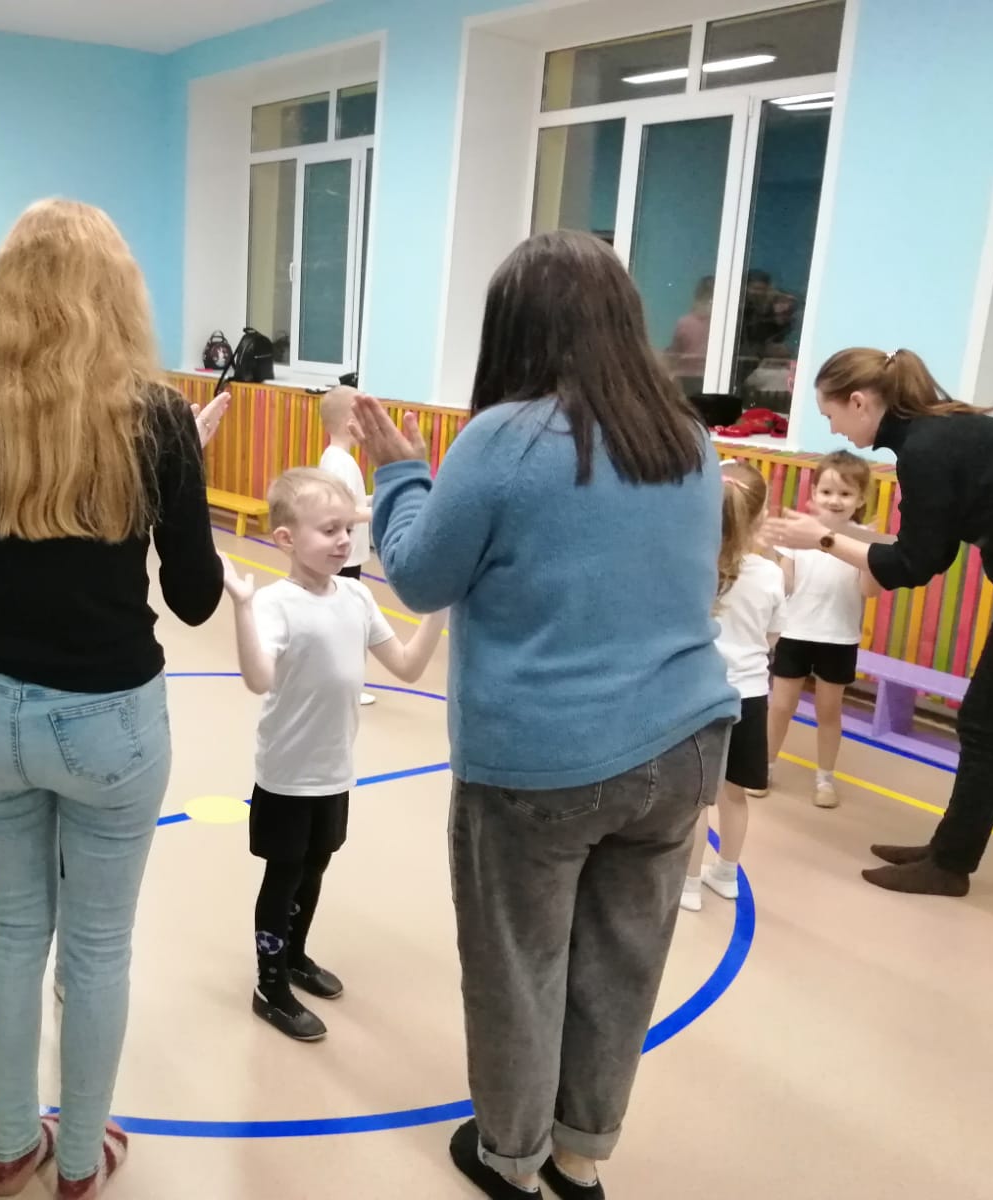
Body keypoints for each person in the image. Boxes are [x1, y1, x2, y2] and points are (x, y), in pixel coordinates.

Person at [352, 230, 738, 1200]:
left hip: (545, 759)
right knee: (623, 962)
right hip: (684, 744)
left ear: (513, 328)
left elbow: (420, 577)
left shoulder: (505, 438)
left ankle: (511, 1158)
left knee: (518, 965)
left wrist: (400, 473)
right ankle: (580, 1155)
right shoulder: (686, 437)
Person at [0, 199, 225, 1200]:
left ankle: (11, 1145)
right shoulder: (156, 418)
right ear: (116, 295)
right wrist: (185, 472)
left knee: (13, 929)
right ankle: (79, 1159)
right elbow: (196, 597)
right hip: (110, 721)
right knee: (97, 944)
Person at [223, 467, 444, 1042]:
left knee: (316, 866)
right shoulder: (275, 604)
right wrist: (242, 608)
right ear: (286, 539)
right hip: (287, 776)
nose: (345, 540)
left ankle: (294, 955)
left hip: (334, 772)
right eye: (329, 530)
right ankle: (269, 984)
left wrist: (439, 609)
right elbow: (258, 678)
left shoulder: (358, 596)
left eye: (348, 528)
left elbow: (407, 666)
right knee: (284, 875)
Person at [766, 347, 993, 897]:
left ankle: (948, 865)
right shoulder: (936, 432)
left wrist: (823, 539)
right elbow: (929, 552)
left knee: (985, 728)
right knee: (983, 724)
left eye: (830, 416)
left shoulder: (925, 448)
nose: (834, 430)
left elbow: (912, 565)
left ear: (859, 402)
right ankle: (948, 852)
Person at [682, 463, 785, 912]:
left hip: (702, 695)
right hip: (751, 696)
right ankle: (726, 874)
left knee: (696, 799)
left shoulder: (694, 566)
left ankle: (687, 884)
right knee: (734, 795)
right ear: (760, 517)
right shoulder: (771, 574)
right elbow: (772, 638)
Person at [765, 450, 879, 807]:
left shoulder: (863, 540)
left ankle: (825, 778)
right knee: (780, 706)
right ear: (813, 493)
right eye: (827, 491)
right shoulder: (799, 535)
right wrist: (767, 553)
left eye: (845, 493)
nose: (835, 500)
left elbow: (869, 591)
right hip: (794, 633)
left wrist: (873, 557)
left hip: (838, 637)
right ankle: (764, 767)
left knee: (828, 712)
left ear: (860, 499)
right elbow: (785, 584)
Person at [317, 386, 379, 706]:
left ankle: (338, 681)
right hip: (344, 560)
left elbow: (352, 502)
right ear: (349, 422)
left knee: (342, 620)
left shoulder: (336, 459)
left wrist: (375, 499)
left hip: (344, 558)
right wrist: (383, 509)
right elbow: (345, 513)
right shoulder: (340, 463)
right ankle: (344, 685)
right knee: (344, 623)